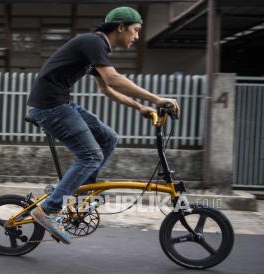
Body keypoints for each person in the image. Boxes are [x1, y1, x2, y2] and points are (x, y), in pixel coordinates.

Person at [27, 6, 180, 244]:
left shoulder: (95, 47)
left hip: (61, 103)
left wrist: (139, 107)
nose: (137, 37)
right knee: (90, 155)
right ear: (121, 28)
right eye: (136, 31)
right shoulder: (92, 42)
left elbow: (105, 88)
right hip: (50, 107)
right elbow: (113, 79)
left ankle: (82, 191)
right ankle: (48, 210)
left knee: (109, 138)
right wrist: (158, 99)